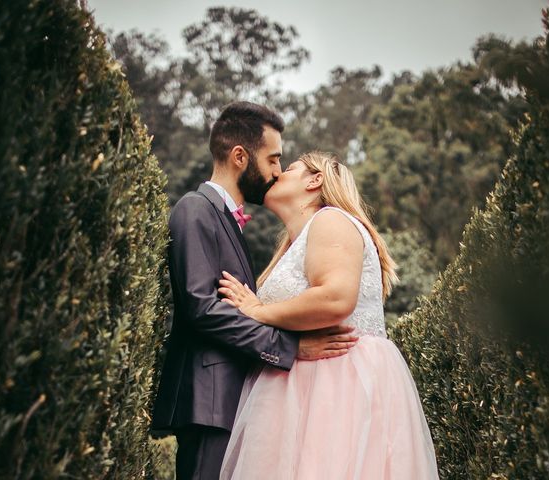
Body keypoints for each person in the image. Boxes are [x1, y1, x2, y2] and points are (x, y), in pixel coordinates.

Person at [150, 103, 359, 480]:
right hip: (209, 402)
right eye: (274, 159)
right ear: (240, 157)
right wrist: (290, 349)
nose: (277, 171)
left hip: (235, 399)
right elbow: (202, 308)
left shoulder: (227, 221)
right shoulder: (195, 209)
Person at [217, 151, 440, 479]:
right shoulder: (299, 242)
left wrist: (258, 310)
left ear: (315, 180)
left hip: (337, 381)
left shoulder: (330, 220)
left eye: (289, 167)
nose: (277, 173)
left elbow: (335, 299)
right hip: (298, 384)